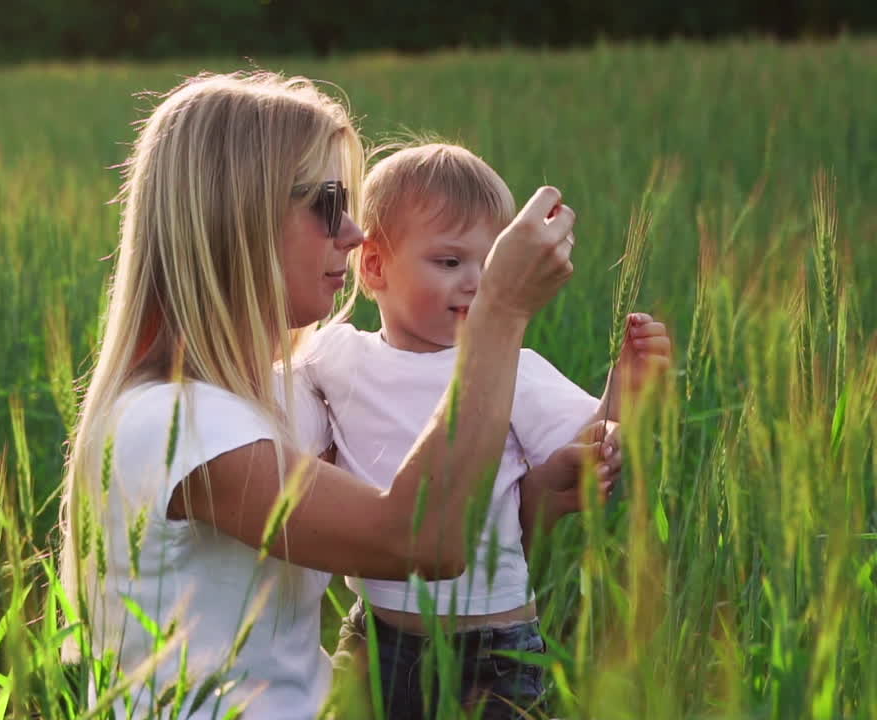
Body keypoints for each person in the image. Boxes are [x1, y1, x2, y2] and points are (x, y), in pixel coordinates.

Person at [58, 71, 586, 719]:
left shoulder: (279, 397)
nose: (355, 234)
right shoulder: (174, 423)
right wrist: (498, 312)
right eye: (326, 203)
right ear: (237, 214)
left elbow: (457, 533)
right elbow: (423, 542)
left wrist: (541, 493)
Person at [309, 142, 672, 719]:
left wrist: (622, 393)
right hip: (374, 638)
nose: (477, 284)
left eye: (491, 264)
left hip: (490, 650)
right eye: (450, 263)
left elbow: (585, 444)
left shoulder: (510, 367)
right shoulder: (336, 356)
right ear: (374, 265)